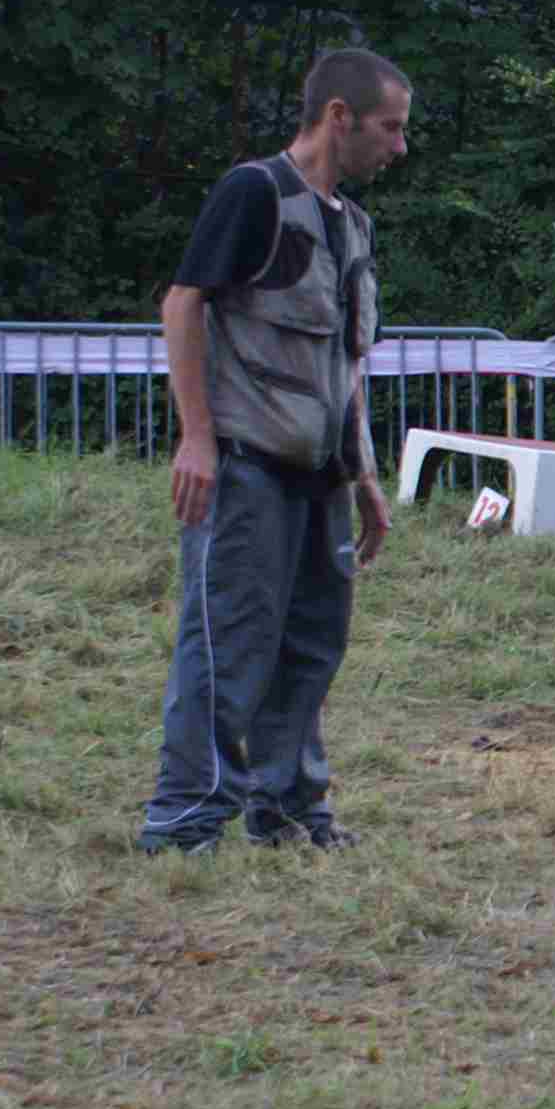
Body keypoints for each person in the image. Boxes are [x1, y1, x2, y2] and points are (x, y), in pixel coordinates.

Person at [138, 48, 410, 853]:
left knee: (311, 648)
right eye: (389, 128)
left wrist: (363, 475)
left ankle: (289, 811)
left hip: (323, 479)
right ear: (339, 117)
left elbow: (345, 365)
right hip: (246, 465)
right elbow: (183, 303)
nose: (399, 147)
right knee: (226, 646)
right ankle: (184, 821)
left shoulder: (353, 225)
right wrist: (197, 438)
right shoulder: (254, 192)